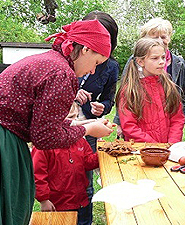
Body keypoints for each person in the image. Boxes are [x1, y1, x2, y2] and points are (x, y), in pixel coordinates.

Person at [0, 19, 114, 225]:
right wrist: (87, 129)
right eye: (96, 63)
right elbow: (44, 137)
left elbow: (45, 123)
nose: (92, 71)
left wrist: (84, 124)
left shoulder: (52, 61)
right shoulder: (62, 73)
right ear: (86, 49)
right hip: (4, 139)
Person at [114, 18, 185, 138]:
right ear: (140, 61)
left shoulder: (169, 86)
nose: (161, 62)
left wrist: (172, 143)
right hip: (141, 150)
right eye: (155, 58)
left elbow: (177, 117)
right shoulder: (130, 90)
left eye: (162, 57)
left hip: (167, 148)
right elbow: (129, 125)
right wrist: (153, 148)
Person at [76, 12, 119, 219]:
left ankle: (85, 221)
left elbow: (109, 99)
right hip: (65, 122)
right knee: (62, 176)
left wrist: (101, 107)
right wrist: (73, 92)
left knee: (85, 180)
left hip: (90, 126)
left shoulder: (111, 66)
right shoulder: (70, 56)